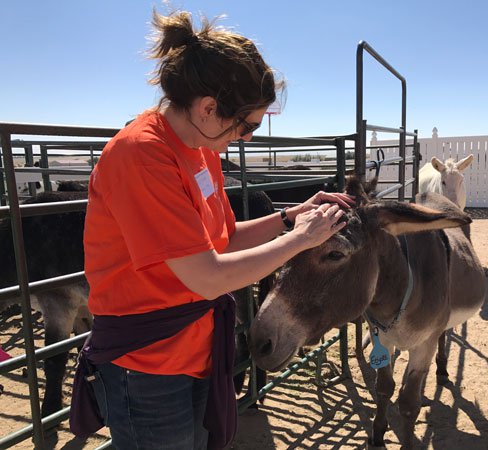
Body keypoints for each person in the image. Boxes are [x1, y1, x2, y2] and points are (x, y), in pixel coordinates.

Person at [70, 9, 353, 450]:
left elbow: (222, 239)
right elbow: (208, 276)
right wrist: (300, 241)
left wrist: (290, 217)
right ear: (208, 108)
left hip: (192, 348)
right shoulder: (141, 154)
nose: (249, 138)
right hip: (148, 363)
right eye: (248, 125)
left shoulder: (199, 148)